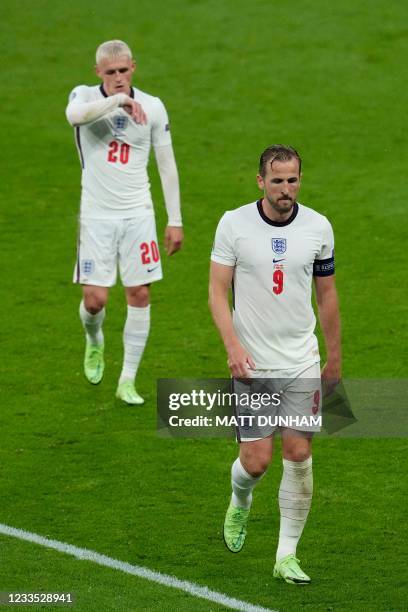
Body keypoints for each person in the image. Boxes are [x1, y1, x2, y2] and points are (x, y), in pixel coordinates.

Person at [209, 145, 341, 584]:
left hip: (301, 359)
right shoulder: (234, 224)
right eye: (278, 180)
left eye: (293, 180)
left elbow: (327, 294)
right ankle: (239, 501)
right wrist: (232, 347)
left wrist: (334, 353)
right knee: (256, 462)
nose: (286, 189)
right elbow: (216, 292)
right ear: (260, 181)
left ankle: (286, 555)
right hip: (253, 363)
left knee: (299, 453)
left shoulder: (318, 227)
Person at [66, 40, 183, 405]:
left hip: (138, 214)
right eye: (110, 72)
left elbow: (166, 163)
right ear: (97, 71)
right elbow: (74, 116)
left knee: (140, 293)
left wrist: (174, 219)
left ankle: (127, 380)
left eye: (123, 70)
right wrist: (119, 102)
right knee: (96, 300)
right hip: (97, 215)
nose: (118, 78)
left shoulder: (153, 106)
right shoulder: (84, 96)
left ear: (133, 66)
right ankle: (94, 339)